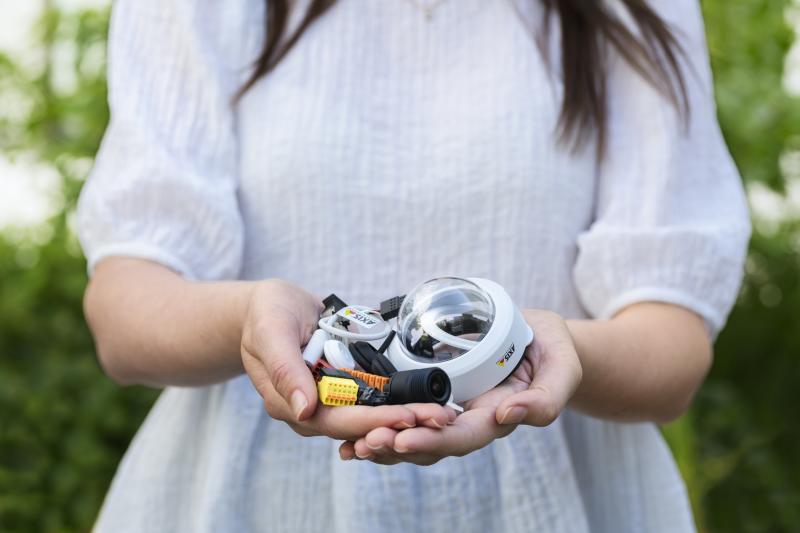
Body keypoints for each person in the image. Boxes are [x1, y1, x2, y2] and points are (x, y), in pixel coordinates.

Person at [76, 0, 751, 531]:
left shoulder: (633, 10)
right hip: (248, 502)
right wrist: (246, 320)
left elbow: (672, 350)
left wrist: (558, 349)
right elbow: (125, 315)